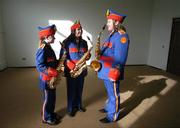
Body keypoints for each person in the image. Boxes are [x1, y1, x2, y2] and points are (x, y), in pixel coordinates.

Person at [97, 9, 130, 123]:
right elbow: (105, 51)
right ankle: (108, 108)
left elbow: (120, 58)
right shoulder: (110, 36)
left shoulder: (122, 36)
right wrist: (99, 52)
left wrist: (115, 72)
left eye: (109, 22)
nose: (107, 24)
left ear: (116, 23)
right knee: (110, 92)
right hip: (105, 70)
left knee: (114, 94)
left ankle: (112, 116)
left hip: (112, 71)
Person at [60, 20, 90, 117]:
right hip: (71, 70)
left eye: (80, 29)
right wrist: (70, 65)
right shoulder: (66, 42)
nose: (79, 31)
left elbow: (86, 54)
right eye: (77, 29)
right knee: (71, 90)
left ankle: (79, 105)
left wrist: (88, 56)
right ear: (73, 31)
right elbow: (63, 57)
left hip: (81, 70)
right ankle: (70, 108)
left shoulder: (85, 42)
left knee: (79, 89)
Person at [35, 24, 60, 125]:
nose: (54, 37)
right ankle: (46, 117)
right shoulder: (43, 48)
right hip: (46, 79)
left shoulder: (48, 47)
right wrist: (51, 71)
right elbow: (39, 65)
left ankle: (51, 113)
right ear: (46, 37)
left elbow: (51, 61)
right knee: (47, 99)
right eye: (53, 36)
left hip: (51, 79)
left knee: (52, 98)